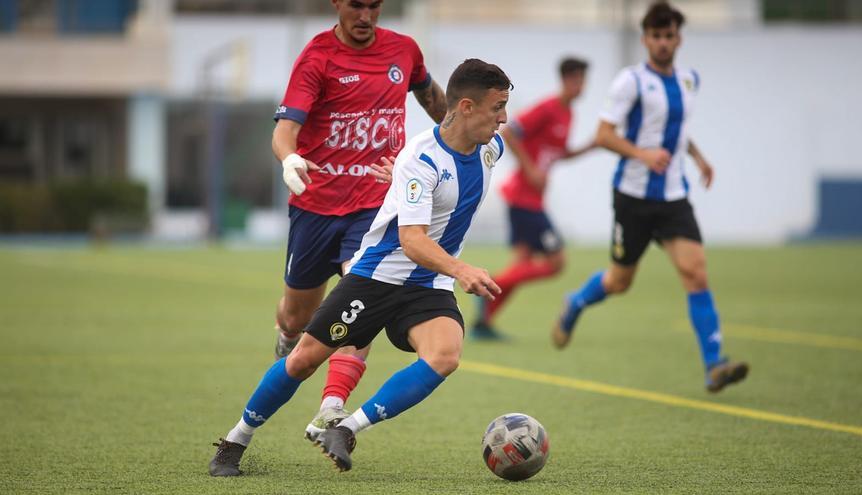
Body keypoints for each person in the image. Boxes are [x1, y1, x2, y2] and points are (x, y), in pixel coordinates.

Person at [209, 58, 512, 476]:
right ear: (465, 107)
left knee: (444, 355)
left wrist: (407, 192)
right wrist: (461, 269)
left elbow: (441, 202)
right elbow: (412, 240)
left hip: (428, 284)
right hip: (377, 278)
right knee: (303, 361)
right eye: (497, 107)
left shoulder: (491, 149)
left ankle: (347, 429)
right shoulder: (420, 160)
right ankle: (234, 441)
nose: (504, 118)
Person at [271, 0, 447, 444]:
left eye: (373, 6)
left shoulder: (405, 51)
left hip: (375, 206)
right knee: (297, 317)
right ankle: (286, 334)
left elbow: (438, 107)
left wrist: (463, 139)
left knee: (359, 296)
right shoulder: (317, 57)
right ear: (336, 4)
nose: (365, 16)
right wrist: (289, 158)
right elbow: (284, 129)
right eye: (356, 6)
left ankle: (332, 404)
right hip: (316, 209)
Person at [551, 1, 748, 393]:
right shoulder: (631, 82)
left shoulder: (690, 80)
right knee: (620, 281)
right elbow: (604, 134)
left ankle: (714, 365)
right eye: (655, 36)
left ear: (679, 38)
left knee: (696, 272)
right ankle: (575, 302)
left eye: (668, 36)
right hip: (634, 197)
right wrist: (642, 154)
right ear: (645, 39)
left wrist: (699, 158)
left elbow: (676, 130)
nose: (662, 43)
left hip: (674, 197)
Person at [470, 57, 597, 339]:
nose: (580, 86)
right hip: (524, 199)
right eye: (576, 80)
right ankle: (491, 284)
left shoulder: (568, 114)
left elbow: (558, 154)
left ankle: (484, 323)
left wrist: (592, 146)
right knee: (556, 262)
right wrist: (530, 169)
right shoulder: (547, 108)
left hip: (531, 200)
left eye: (582, 80)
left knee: (522, 263)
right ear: (565, 80)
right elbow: (509, 132)